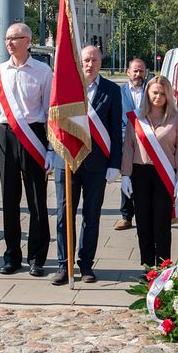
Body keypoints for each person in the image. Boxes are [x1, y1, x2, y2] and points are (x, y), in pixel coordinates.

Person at [0, 23, 54, 276]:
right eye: (6, 39)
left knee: (37, 201)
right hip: (6, 135)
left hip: (33, 135)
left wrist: (50, 148)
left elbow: (50, 113)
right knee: (10, 200)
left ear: (28, 40)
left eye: (14, 38)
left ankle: (37, 258)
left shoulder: (43, 71)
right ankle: (12, 256)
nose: (9, 43)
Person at [51, 45, 122, 285]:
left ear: (100, 62)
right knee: (64, 214)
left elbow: (115, 130)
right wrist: (52, 153)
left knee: (91, 216)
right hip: (67, 161)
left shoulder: (111, 90)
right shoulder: (65, 87)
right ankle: (64, 264)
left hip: (96, 165)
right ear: (78, 63)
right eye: (85, 60)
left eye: (93, 60)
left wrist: (115, 163)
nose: (89, 64)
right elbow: (53, 121)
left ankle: (86, 264)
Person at [120, 76, 178, 268]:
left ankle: (164, 266)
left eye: (163, 93)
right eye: (155, 92)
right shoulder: (136, 117)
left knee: (162, 223)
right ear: (148, 93)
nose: (158, 96)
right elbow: (129, 147)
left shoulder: (176, 119)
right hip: (140, 174)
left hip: (164, 175)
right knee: (143, 222)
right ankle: (148, 266)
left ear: (169, 96)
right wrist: (125, 174)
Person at [114, 58, 148, 231]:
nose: (138, 74)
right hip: (125, 141)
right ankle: (126, 216)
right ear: (128, 72)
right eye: (135, 71)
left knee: (144, 178)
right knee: (126, 176)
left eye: (141, 71)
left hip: (148, 144)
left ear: (146, 72)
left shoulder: (152, 90)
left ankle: (146, 214)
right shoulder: (119, 92)